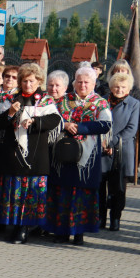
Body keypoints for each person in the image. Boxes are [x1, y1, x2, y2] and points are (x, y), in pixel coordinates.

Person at [0, 64, 60, 244]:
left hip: (36, 155)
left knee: (30, 194)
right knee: (14, 192)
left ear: (39, 81)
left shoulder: (45, 100)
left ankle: (25, 228)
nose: (28, 84)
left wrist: (35, 121)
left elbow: (54, 119)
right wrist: (11, 112)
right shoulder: (11, 98)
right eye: (24, 81)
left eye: (31, 81)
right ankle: (11, 225)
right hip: (13, 155)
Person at [43, 65, 111, 245]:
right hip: (63, 152)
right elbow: (51, 117)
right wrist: (65, 124)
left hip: (87, 157)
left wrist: (80, 128)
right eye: (79, 81)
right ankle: (61, 231)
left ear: (94, 83)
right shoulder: (64, 100)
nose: (82, 85)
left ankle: (79, 233)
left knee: (81, 193)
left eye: (86, 82)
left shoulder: (100, 102)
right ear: (74, 82)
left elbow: (105, 125)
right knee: (61, 191)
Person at [99, 71, 139, 231]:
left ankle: (115, 218)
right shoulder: (102, 101)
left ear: (128, 88)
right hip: (102, 149)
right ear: (111, 87)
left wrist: (111, 142)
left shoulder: (133, 104)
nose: (119, 89)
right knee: (100, 186)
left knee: (118, 188)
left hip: (122, 150)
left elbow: (131, 129)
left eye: (123, 87)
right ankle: (100, 218)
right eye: (116, 86)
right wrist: (104, 143)